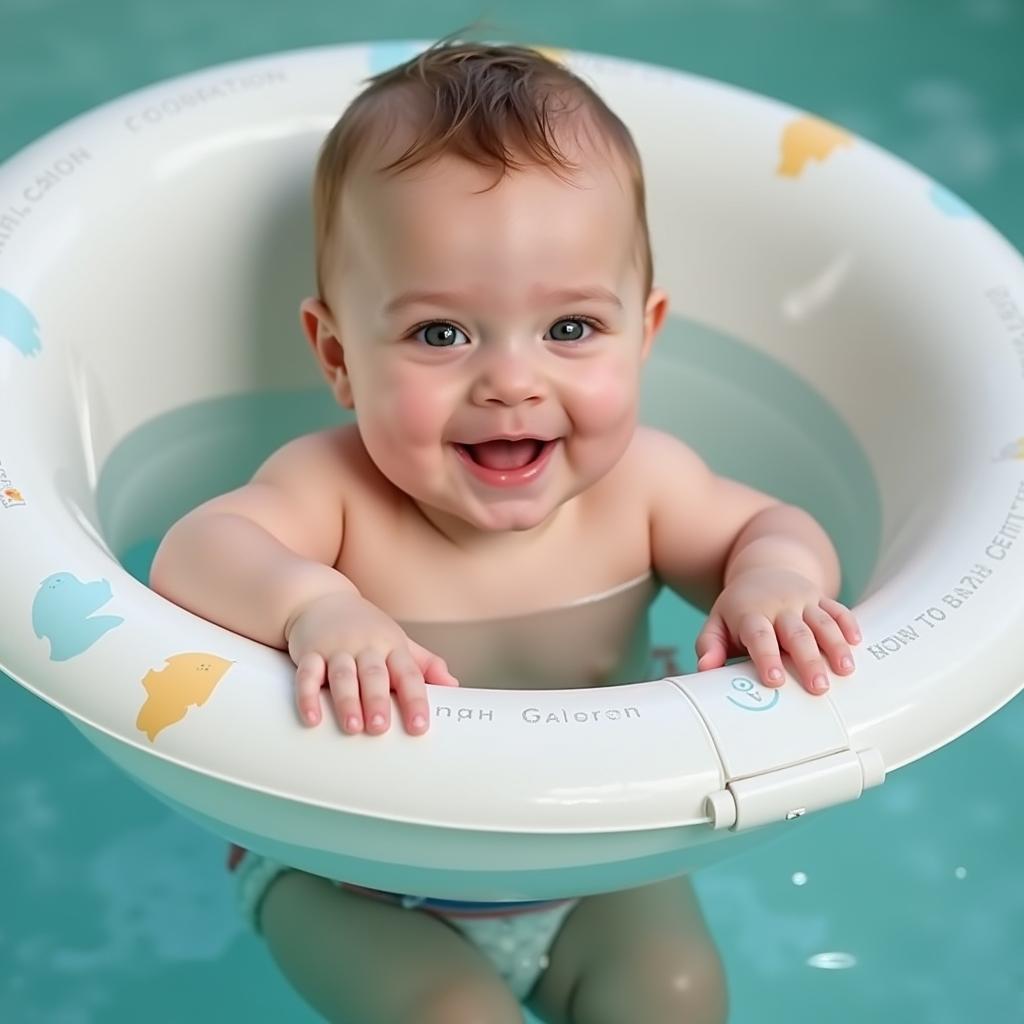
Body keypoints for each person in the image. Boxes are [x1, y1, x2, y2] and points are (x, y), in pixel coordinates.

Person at [149, 38, 861, 1024]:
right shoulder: (334, 494)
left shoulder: (647, 487)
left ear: (644, 331)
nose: (511, 380)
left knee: (679, 997)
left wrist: (772, 579)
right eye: (441, 334)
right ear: (337, 353)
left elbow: (768, 527)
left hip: (596, 860)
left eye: (570, 328)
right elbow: (194, 552)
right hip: (354, 878)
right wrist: (316, 603)